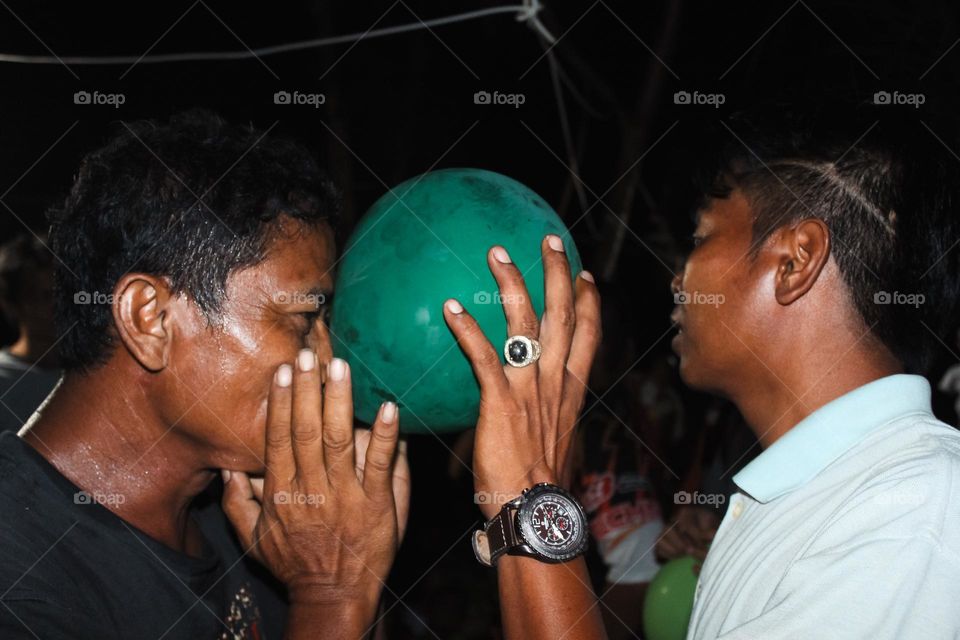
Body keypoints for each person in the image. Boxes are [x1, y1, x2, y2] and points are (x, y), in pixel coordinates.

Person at [0, 109, 606, 640]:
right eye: (303, 319)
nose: (332, 357)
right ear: (151, 318)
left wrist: (352, 577)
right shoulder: (23, 581)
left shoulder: (244, 511)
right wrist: (331, 593)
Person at [671, 109, 960, 638]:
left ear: (795, 261)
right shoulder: (832, 498)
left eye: (700, 238)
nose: (676, 280)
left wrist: (532, 501)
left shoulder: (915, 511)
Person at [0, 233, 62, 432]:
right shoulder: (3, 379)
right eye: (42, 295)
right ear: (11, 303)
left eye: (59, 294)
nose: (53, 306)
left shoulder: (89, 375)